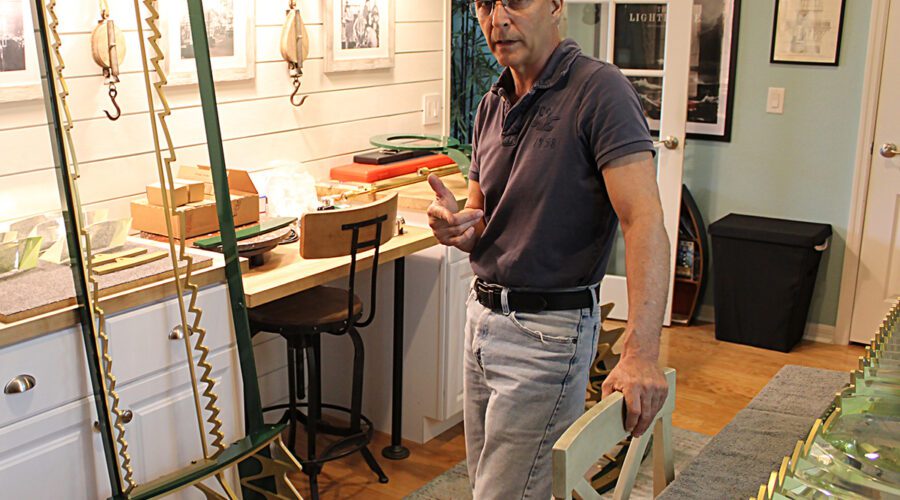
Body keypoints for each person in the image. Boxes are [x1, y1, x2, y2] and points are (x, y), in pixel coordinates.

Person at [426, 0, 670, 498]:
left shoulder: (599, 90)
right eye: (484, 4)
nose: (498, 19)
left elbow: (643, 219)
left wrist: (642, 352)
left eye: (516, 1)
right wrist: (458, 228)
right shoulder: (491, 103)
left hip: (545, 336)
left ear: (558, 5)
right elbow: (483, 222)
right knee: (488, 485)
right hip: (481, 321)